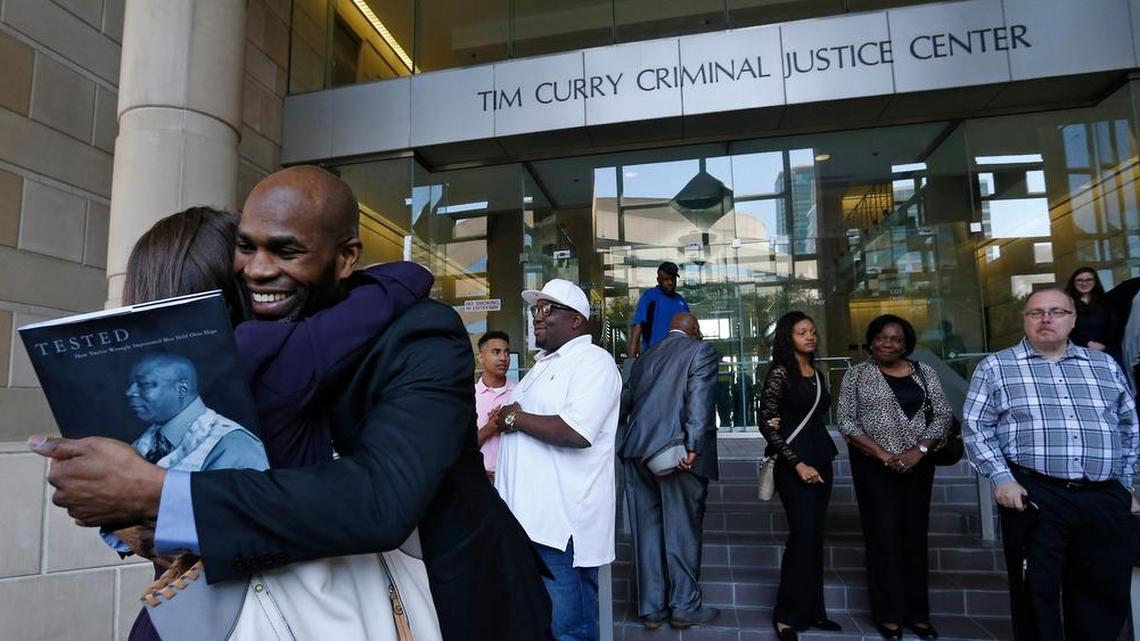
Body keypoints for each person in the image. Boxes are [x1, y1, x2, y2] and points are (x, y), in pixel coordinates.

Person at [30, 166, 554, 640]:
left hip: (446, 600)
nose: (259, 270)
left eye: (285, 251)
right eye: (246, 248)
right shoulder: (253, 353)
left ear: (345, 257)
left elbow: (380, 499)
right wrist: (143, 519)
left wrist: (159, 496)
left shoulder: (418, 335)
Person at [963, 288, 1138, 641]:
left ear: (1073, 320)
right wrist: (1001, 478)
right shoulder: (996, 366)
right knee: (1036, 593)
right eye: (1036, 312)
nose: (1046, 319)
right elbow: (976, 427)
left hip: (1104, 495)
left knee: (1102, 591)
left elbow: (1128, 426)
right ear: (1025, 320)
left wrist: (1125, 484)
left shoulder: (1104, 365)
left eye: (1056, 311)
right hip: (1035, 494)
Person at [486, 279, 622, 641]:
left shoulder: (594, 362)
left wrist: (514, 418)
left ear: (576, 320)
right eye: (535, 309)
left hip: (561, 527)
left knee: (569, 631)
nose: (537, 317)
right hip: (528, 522)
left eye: (547, 309)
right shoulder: (542, 365)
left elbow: (575, 431)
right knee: (539, 626)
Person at [836, 315, 952, 640]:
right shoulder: (856, 374)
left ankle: (917, 613)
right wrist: (884, 455)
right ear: (871, 340)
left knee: (914, 537)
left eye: (896, 339)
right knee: (882, 537)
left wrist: (919, 451)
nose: (888, 344)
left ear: (906, 344)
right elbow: (846, 421)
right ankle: (887, 614)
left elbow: (942, 414)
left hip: (919, 465)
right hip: (874, 467)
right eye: (881, 337)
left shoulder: (924, 372)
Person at [619, 312, 719, 629]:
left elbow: (624, 402)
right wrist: (694, 445)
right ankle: (685, 606)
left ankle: (652, 609)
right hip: (676, 453)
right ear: (694, 329)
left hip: (636, 451)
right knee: (682, 529)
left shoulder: (644, 358)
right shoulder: (700, 350)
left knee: (646, 531)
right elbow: (700, 398)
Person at [757, 311, 839, 641]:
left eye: (813, 331)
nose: (810, 336)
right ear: (787, 337)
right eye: (802, 332)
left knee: (815, 537)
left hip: (823, 460)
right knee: (802, 536)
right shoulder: (779, 373)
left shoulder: (817, 374)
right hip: (794, 466)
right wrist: (798, 464)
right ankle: (786, 616)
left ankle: (814, 611)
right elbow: (767, 424)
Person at [628, 261, 689, 358]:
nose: (670, 282)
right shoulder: (650, 297)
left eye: (673, 279)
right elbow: (638, 326)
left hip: (679, 356)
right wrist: (631, 358)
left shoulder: (681, 301)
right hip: (655, 356)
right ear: (658, 280)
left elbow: (689, 328)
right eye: (666, 279)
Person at [474, 330, 513, 480]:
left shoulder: (520, 393)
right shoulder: (469, 397)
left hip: (513, 479)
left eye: (507, 353)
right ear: (481, 358)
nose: (503, 358)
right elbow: (460, 447)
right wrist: (490, 427)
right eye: (496, 352)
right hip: (477, 480)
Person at [1064, 267, 1120, 359]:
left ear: (1095, 282)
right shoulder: (1066, 303)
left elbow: (1114, 327)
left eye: (1088, 280)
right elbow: (1065, 328)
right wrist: (1088, 343)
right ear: (1073, 282)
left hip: (1105, 350)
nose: (1084, 283)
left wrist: (1103, 345)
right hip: (1076, 350)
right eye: (1079, 280)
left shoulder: (1107, 302)